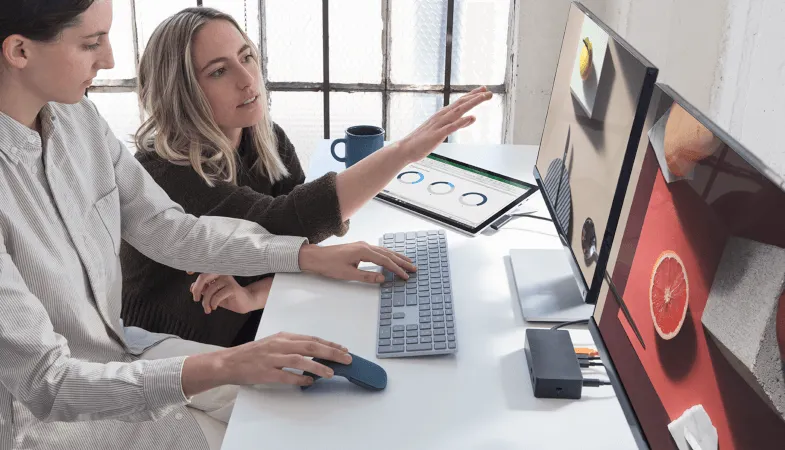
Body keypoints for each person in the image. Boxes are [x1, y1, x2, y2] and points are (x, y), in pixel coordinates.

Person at [0, 1, 486, 448]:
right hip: (50, 414)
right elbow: (48, 384)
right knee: (269, 435)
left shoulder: (77, 119)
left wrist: (303, 256)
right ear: (19, 51)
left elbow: (171, 229)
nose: (108, 60)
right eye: (90, 43)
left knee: (309, 409)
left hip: (122, 350)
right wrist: (229, 362)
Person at [120, 7, 493, 347]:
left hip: (246, 317)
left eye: (246, 56)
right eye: (219, 71)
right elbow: (281, 223)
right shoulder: (165, 170)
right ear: (182, 93)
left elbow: (294, 243)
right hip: (174, 347)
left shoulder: (262, 138)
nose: (247, 78)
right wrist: (402, 152)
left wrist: (258, 294)